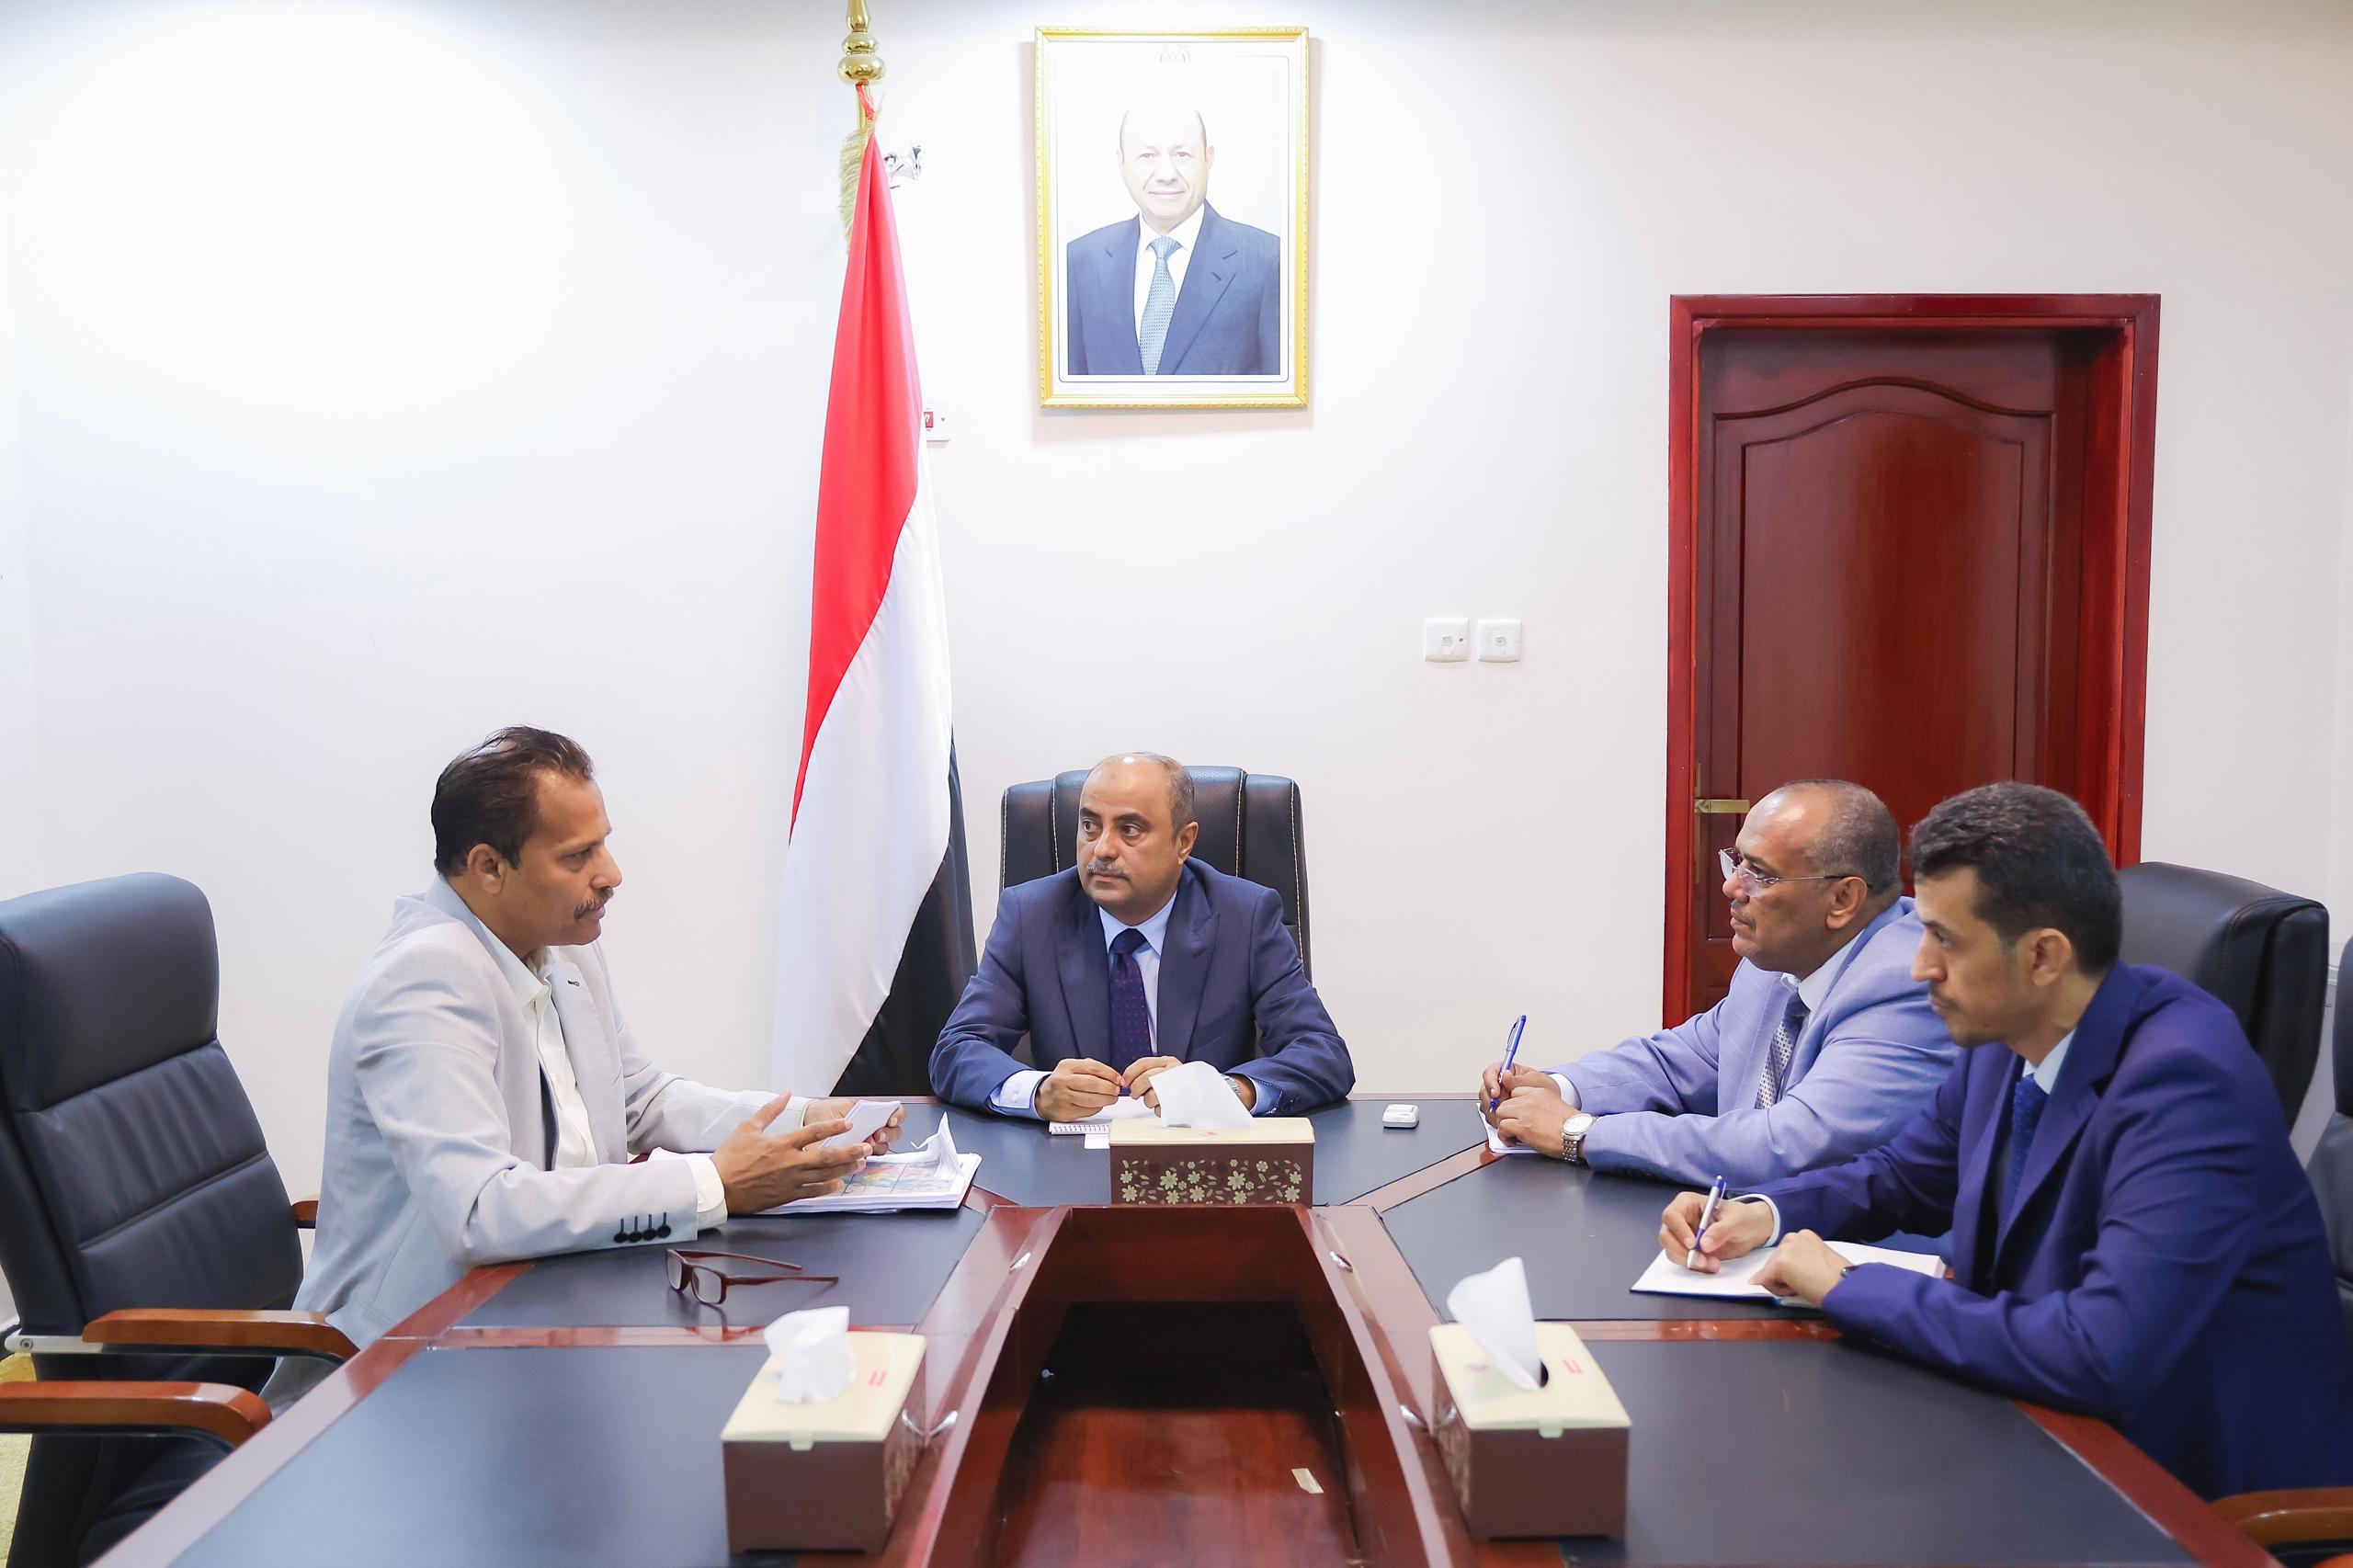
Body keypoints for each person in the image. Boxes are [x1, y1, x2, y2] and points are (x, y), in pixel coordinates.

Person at [1660, 782, 2353, 1499]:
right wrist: (1763, 1212)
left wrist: (1847, 1287)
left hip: (2189, 1492)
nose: (1921, 967)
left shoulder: (2185, 1082)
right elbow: (1903, 1177)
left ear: (2044, 956)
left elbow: (2097, 1352)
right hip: (2033, 1429)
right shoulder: (2007, 1031)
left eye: (1946, 940)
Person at [297, 728, 900, 1346]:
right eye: (577, 856)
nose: (611, 874)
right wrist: (714, 1183)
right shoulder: (422, 981)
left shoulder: (564, 948)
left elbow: (639, 1098)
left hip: (548, 1305)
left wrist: (804, 1123)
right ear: (489, 867)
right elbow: (479, 1211)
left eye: (603, 844)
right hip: (407, 1355)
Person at [1483, 780, 1954, 1185]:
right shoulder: (1780, 959)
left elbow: (1789, 1145)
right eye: (1738, 862)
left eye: (1761, 875)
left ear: (1842, 899)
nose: (1732, 887)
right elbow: (1684, 1060)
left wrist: (1580, 1133)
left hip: (1856, 1252)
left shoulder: (1909, 984)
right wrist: (1558, 1089)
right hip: (1751, 1234)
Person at [930, 753, 1352, 1119]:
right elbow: (957, 1050)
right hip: (1065, 1162)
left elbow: (1322, 1054)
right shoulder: (1031, 915)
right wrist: (1037, 1092)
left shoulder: (1246, 916)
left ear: (1184, 841)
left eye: (1129, 830)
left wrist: (1221, 1090)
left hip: (1201, 1159)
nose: (1102, 849)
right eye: (1089, 825)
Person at [1063, 103, 1280, 378]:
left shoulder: (1270, 262)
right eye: (1147, 155)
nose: (1167, 174)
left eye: (1182, 154)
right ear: (1121, 164)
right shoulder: (1079, 261)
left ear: (1208, 159)